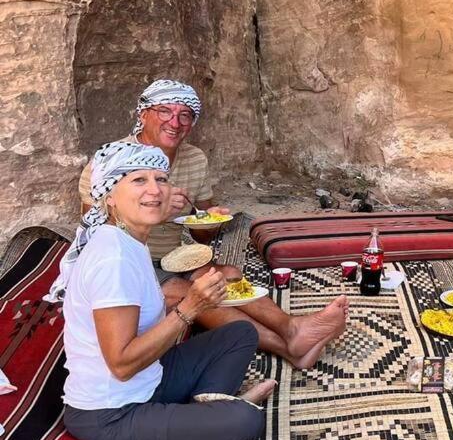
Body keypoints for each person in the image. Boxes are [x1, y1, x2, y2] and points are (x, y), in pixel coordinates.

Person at [79, 80, 347, 369]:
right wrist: (158, 211)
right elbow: (96, 230)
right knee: (192, 294)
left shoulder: (194, 159)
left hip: (172, 257)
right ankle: (288, 345)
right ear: (143, 114)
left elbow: (204, 231)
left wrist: (210, 218)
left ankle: (291, 329)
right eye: (165, 111)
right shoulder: (113, 159)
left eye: (185, 115)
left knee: (226, 274)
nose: (175, 122)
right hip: (129, 260)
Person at [50, 141, 275, 440]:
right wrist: (190, 307)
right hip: (110, 412)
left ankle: (197, 426)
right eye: (138, 180)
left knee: (239, 333)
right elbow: (122, 364)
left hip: (150, 379)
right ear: (109, 195)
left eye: (161, 179)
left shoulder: (130, 239)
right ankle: (205, 426)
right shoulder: (114, 259)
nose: (154, 190)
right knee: (247, 422)